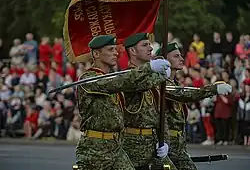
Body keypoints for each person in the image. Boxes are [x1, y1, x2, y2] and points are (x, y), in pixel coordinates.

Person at [76, 35, 171, 170]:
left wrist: (160, 75)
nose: (115, 53)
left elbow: (136, 83)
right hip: (95, 148)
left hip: (116, 147)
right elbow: (116, 83)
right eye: (110, 50)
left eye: (115, 49)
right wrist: (149, 68)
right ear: (96, 54)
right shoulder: (88, 78)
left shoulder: (115, 77)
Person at [155, 42, 232, 170]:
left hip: (178, 144)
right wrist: (212, 89)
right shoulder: (161, 83)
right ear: (164, 59)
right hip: (165, 145)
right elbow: (184, 94)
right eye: (176, 56)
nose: (181, 59)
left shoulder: (175, 83)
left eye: (180, 55)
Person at [122, 33, 176, 170]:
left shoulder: (152, 78)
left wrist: (165, 141)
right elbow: (138, 83)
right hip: (132, 147)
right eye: (144, 45)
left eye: (149, 44)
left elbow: (159, 113)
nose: (151, 48)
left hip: (153, 144)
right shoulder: (126, 77)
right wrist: (160, 75)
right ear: (132, 51)